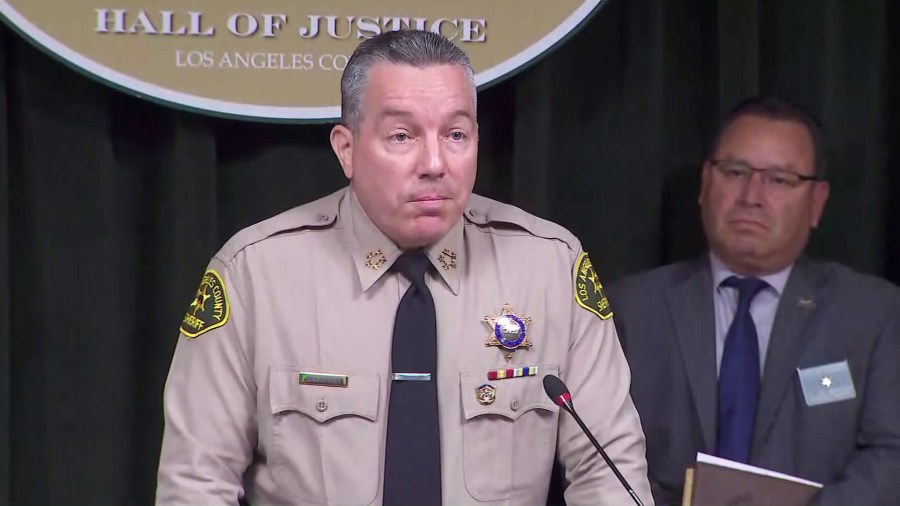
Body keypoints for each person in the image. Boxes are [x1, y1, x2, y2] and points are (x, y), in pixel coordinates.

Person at [155, 29, 652, 506]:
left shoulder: (550, 268)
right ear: (346, 149)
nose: (435, 162)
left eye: (456, 134)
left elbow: (608, 473)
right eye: (401, 136)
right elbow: (197, 482)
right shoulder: (255, 275)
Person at [608, 96, 900, 506]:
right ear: (706, 183)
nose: (752, 195)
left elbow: (891, 457)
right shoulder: (630, 310)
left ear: (816, 202)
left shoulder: (875, 315)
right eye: (735, 172)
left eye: (779, 180)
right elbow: (594, 456)